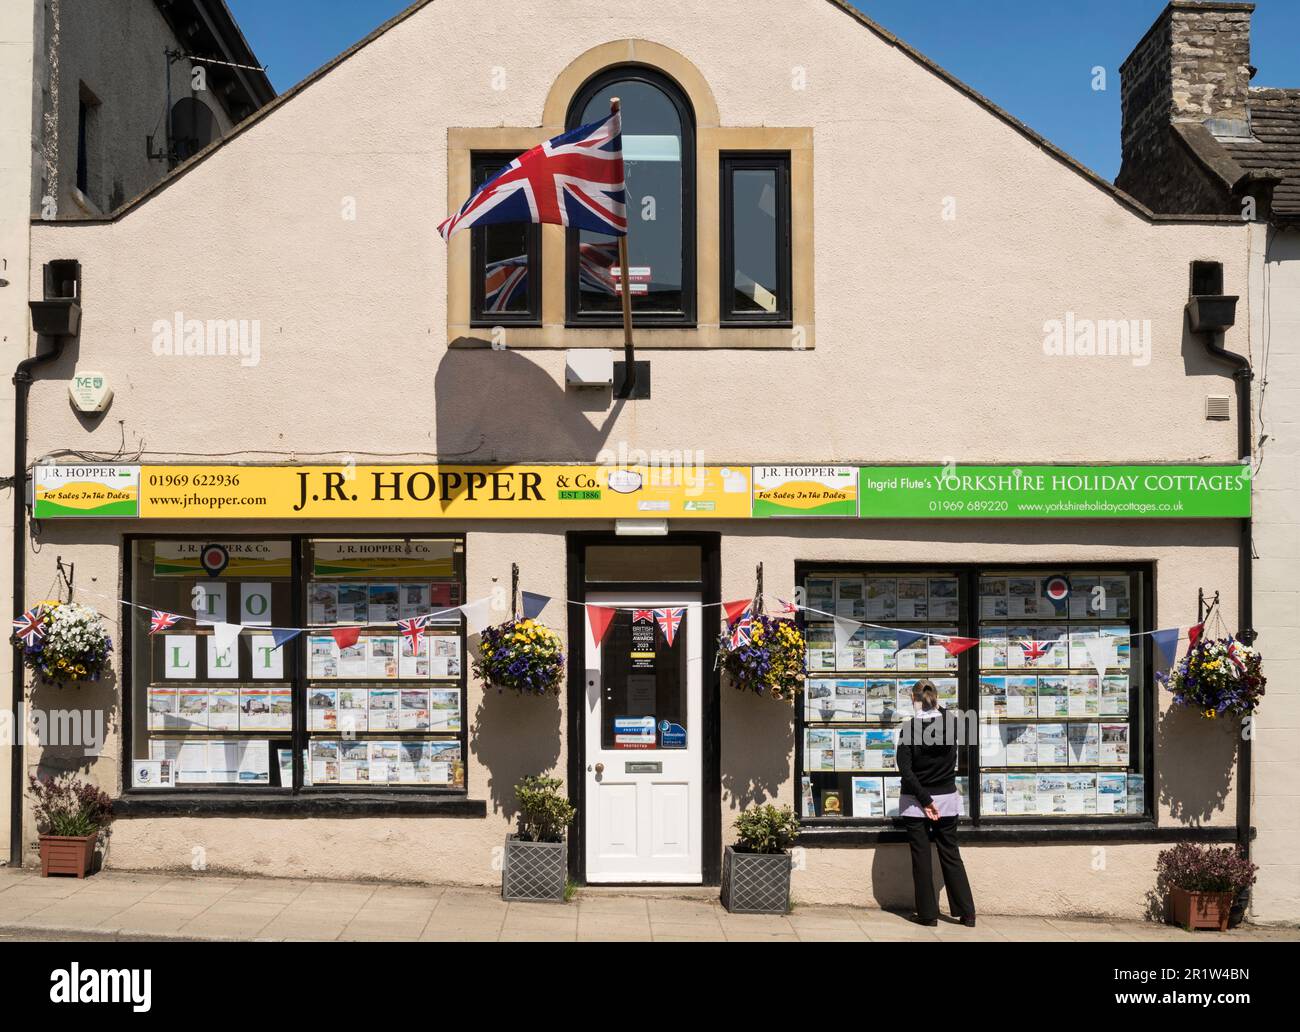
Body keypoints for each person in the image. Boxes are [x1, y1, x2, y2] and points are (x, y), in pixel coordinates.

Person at [895, 678, 975, 927]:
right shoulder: (952, 723)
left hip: (916, 802)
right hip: (946, 799)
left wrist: (925, 800)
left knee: (921, 858)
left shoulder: (909, 729)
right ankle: (967, 913)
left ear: (913, 699)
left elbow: (905, 771)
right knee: (951, 854)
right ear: (936, 699)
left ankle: (928, 915)